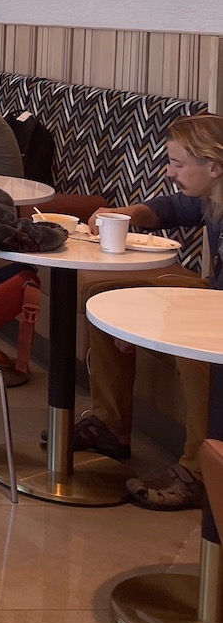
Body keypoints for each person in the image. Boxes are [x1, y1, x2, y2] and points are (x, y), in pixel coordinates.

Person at [72, 114, 223, 510]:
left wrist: (154, 321)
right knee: (103, 297)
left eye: (177, 163)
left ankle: (199, 470)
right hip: (214, 297)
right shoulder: (212, 195)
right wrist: (129, 214)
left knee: (196, 353)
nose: (169, 171)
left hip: (217, 306)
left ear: (214, 166)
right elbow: (172, 208)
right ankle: (109, 425)